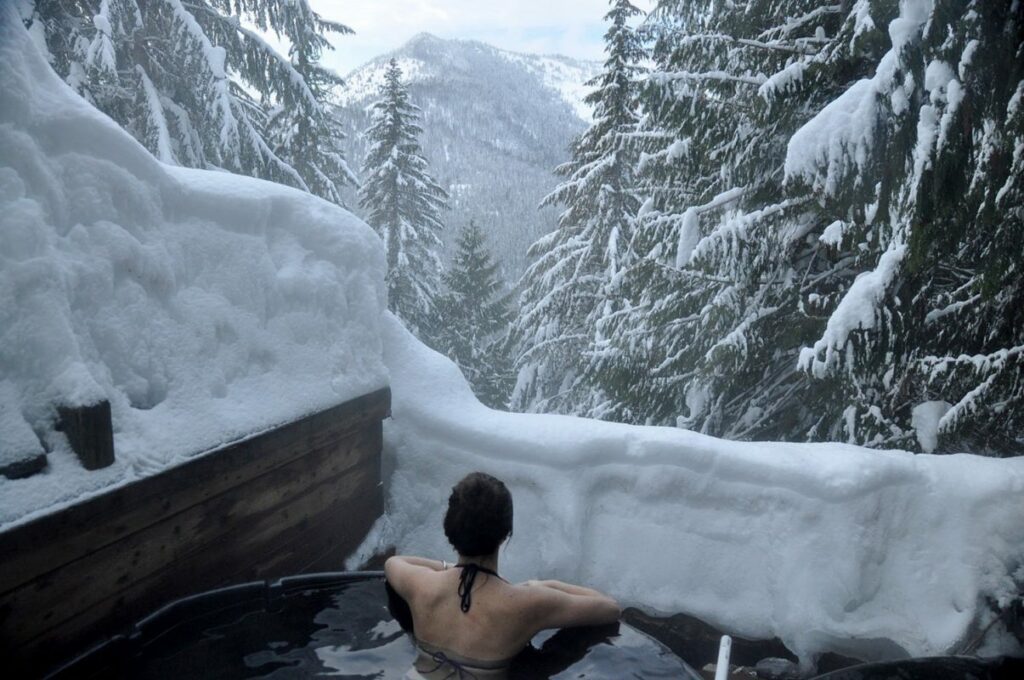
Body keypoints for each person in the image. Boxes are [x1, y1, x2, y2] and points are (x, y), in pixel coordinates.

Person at [384, 471, 621, 679]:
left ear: (449, 528)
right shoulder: (528, 603)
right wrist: (543, 584)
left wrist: (448, 569)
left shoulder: (421, 585)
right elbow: (609, 609)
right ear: (506, 532)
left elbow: (394, 563)